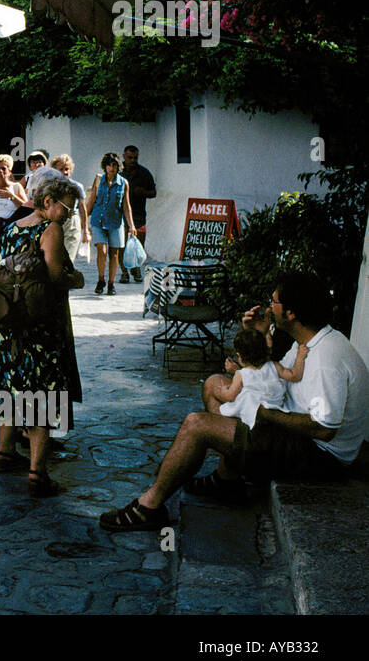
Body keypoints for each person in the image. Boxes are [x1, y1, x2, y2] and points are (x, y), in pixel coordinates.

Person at [100, 272, 369, 531]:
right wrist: (259, 335)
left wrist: (264, 415)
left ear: (291, 313)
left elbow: (325, 429)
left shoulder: (325, 361)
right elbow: (275, 376)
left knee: (197, 425)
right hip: (294, 431)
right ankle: (228, 477)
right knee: (215, 384)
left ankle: (150, 506)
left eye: (274, 301)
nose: (268, 307)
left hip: (319, 456)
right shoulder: (310, 341)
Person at [0, 178, 85, 496]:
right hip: (37, 323)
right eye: (67, 208)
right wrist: (77, 278)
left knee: (11, 382)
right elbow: (55, 276)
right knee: (42, 389)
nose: (69, 216)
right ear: (49, 202)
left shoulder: (13, 226)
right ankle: (37, 473)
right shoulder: (50, 230)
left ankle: (4, 452)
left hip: (5, 321)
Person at [207, 328, 288, 430]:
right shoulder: (275, 366)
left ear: (239, 356)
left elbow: (229, 397)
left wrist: (224, 390)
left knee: (223, 408)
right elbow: (295, 375)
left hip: (252, 412)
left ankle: (218, 425)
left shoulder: (241, 374)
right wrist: (300, 359)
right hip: (275, 407)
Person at [85, 152, 136, 296]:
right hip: (98, 220)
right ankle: (101, 279)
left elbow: (126, 206)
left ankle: (111, 283)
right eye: (109, 165)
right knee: (102, 250)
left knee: (114, 254)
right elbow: (91, 200)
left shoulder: (123, 183)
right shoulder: (98, 180)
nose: (111, 168)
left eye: (114, 165)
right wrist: (83, 221)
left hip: (115, 221)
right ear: (105, 166)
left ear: (118, 166)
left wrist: (131, 225)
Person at [118, 145, 156, 283]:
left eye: (135, 158)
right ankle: (124, 272)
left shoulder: (144, 173)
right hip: (120, 215)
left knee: (138, 244)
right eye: (130, 157)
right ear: (124, 157)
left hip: (139, 215)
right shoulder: (118, 172)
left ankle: (136, 269)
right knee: (121, 244)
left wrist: (143, 192)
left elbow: (153, 192)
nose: (133, 160)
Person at [49, 154, 91, 265]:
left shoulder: (77, 186)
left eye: (66, 169)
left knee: (68, 258)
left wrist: (85, 230)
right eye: (61, 169)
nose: (65, 172)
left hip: (72, 222)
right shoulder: (49, 187)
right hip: (54, 223)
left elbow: (82, 209)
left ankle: (64, 280)